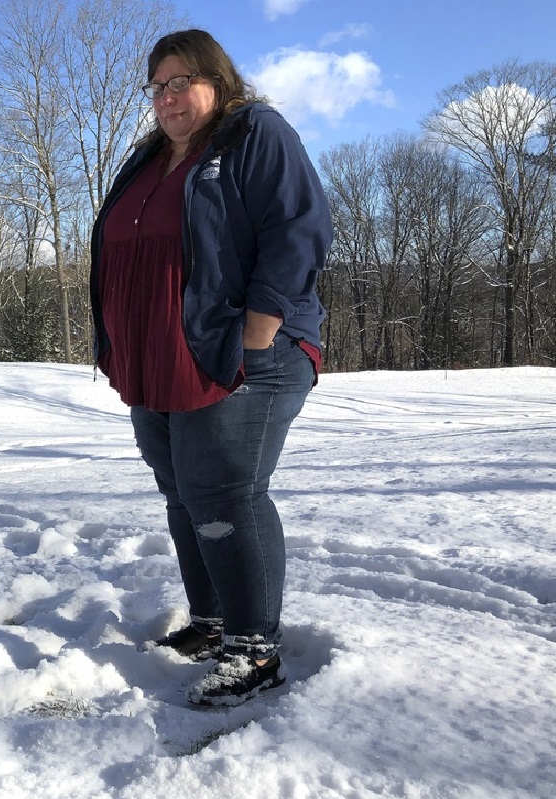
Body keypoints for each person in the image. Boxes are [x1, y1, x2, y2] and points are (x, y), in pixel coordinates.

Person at [89, 29, 332, 707]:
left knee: (223, 490)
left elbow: (300, 229)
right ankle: (215, 619)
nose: (167, 98)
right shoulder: (149, 158)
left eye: (181, 82)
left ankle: (254, 648)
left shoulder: (253, 133)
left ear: (217, 82)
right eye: (157, 86)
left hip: (245, 354)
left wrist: (258, 333)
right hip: (162, 359)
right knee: (182, 491)